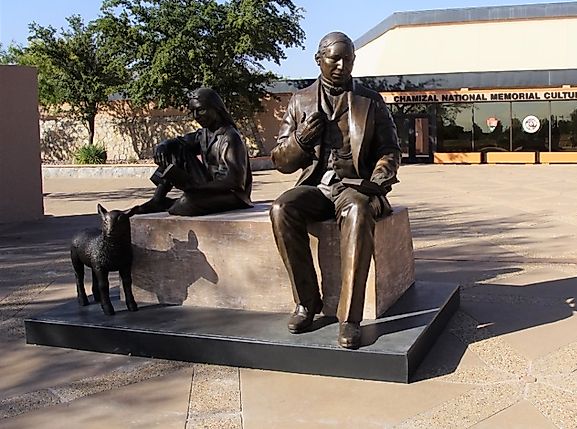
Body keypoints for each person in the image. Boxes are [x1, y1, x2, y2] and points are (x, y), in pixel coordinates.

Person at [269, 31, 400, 349]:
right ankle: (306, 303)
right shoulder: (300, 100)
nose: (342, 65)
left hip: (353, 187)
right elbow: (280, 160)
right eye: (334, 58)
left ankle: (349, 319)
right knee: (281, 208)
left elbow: (390, 150)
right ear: (319, 60)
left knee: (357, 209)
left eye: (349, 59)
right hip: (317, 187)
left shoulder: (370, 100)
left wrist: (379, 178)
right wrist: (300, 141)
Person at [137, 88, 253, 216]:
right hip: (208, 187)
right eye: (193, 112)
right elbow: (180, 142)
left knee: (184, 204)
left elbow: (235, 182)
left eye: (201, 110)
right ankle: (158, 199)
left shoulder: (230, 137)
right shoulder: (203, 134)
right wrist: (163, 145)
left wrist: (194, 187)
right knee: (176, 148)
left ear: (215, 108)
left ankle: (173, 203)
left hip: (231, 194)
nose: (196, 116)